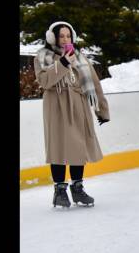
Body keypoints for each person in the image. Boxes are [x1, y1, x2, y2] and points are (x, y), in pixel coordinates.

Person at [34, 21, 110, 208]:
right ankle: (60, 191)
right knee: (58, 148)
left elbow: (94, 83)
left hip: (79, 106)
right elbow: (44, 81)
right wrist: (64, 62)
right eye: (61, 36)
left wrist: (101, 109)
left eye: (68, 36)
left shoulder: (81, 58)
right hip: (56, 106)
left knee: (79, 147)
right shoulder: (43, 56)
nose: (65, 39)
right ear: (52, 37)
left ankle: (77, 189)